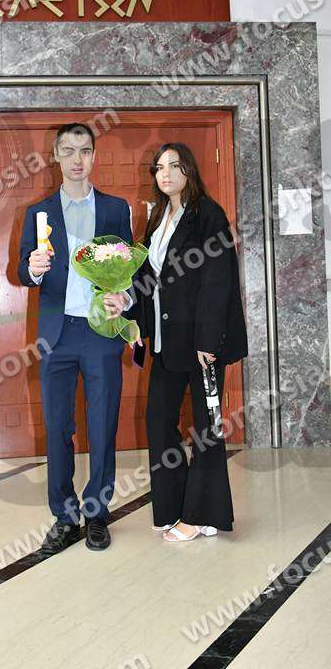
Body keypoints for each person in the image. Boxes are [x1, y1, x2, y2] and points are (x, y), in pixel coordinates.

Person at [17, 122, 134, 554]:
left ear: (94, 156)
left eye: (84, 150)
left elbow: (131, 270)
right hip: (57, 335)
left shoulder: (116, 209)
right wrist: (33, 268)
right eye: (67, 150)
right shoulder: (38, 213)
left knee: (102, 424)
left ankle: (97, 512)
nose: (77, 159)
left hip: (100, 333)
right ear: (55, 156)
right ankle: (65, 515)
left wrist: (125, 297)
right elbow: (22, 271)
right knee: (57, 428)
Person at [124, 142, 248, 542]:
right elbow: (147, 279)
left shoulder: (207, 215)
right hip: (165, 342)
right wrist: (124, 303)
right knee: (159, 422)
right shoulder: (158, 218)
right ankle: (172, 508)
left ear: (189, 170)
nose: (165, 174)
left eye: (173, 166)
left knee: (206, 428)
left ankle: (202, 515)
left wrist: (208, 340)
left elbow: (217, 279)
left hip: (200, 342)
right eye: (159, 168)